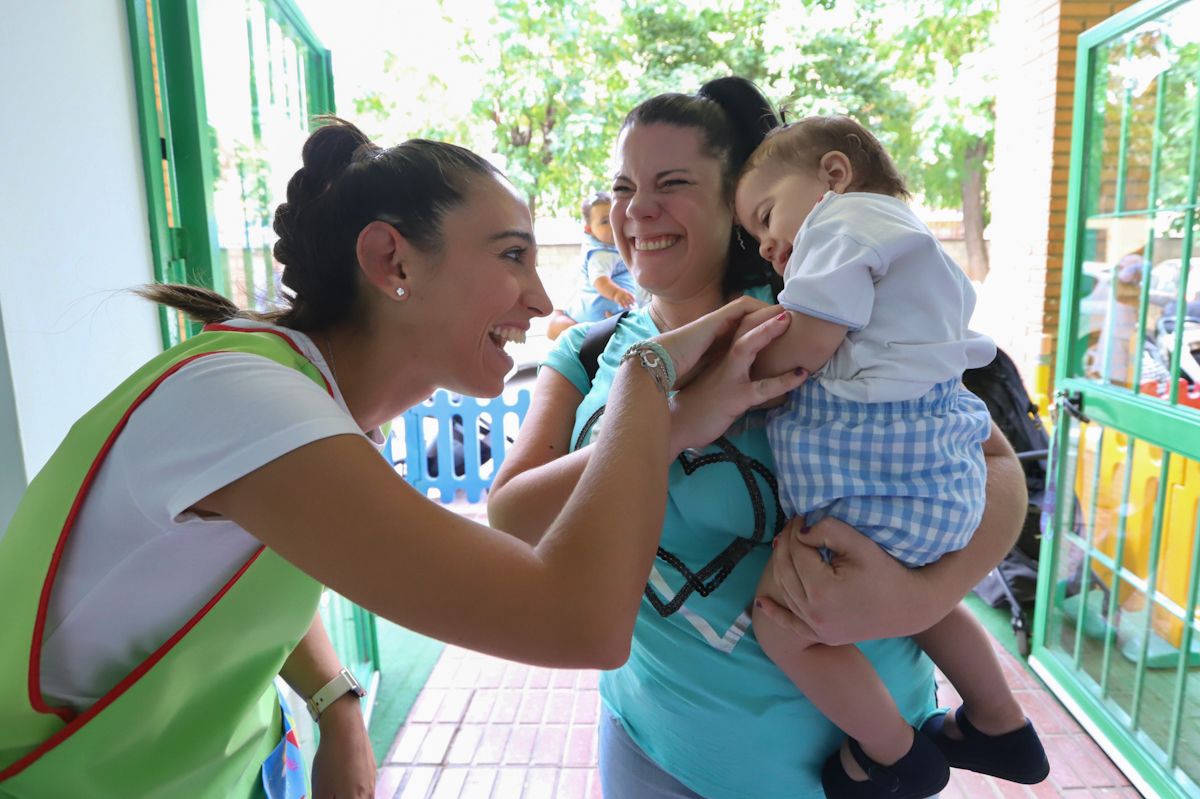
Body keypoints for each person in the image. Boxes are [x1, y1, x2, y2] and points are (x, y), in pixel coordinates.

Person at [0, 118, 806, 798]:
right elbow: (581, 621)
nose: (541, 300)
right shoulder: (248, 405)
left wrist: (335, 702)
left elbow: (264, 552)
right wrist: (647, 376)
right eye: (511, 256)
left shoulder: (299, 402)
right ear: (393, 262)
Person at [488, 77, 1029, 799]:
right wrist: (676, 422)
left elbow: (995, 462)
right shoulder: (592, 353)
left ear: (734, 206)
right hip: (653, 750)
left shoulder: (821, 321)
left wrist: (917, 599)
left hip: (852, 770)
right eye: (622, 185)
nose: (636, 209)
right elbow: (514, 515)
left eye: (671, 182)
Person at [733, 115, 1049, 798]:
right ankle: (999, 721)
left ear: (834, 176)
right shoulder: (904, 251)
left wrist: (740, 377)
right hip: (936, 481)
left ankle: (893, 753)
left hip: (877, 489)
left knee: (783, 624)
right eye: (754, 236)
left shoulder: (842, 225)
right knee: (926, 601)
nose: (764, 245)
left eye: (765, 216)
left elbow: (808, 343)